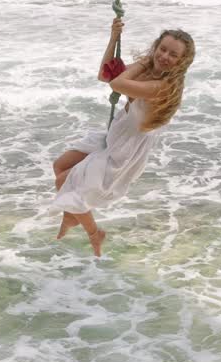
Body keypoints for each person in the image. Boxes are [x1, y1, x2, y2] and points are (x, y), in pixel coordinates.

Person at [51, 18, 196, 256]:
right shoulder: (148, 72)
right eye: (162, 49)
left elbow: (117, 85)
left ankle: (94, 233)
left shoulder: (162, 87)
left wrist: (147, 59)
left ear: (182, 62)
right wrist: (113, 37)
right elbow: (105, 75)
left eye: (173, 55)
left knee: (62, 182)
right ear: (156, 46)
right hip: (116, 135)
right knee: (61, 166)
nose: (165, 56)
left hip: (126, 150)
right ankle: (72, 214)